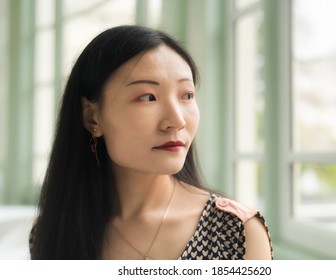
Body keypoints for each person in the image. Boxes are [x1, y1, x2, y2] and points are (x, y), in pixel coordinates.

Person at [29, 25, 273, 260]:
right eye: (148, 97)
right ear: (92, 117)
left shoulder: (236, 233)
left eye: (187, 95)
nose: (176, 120)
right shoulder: (53, 231)